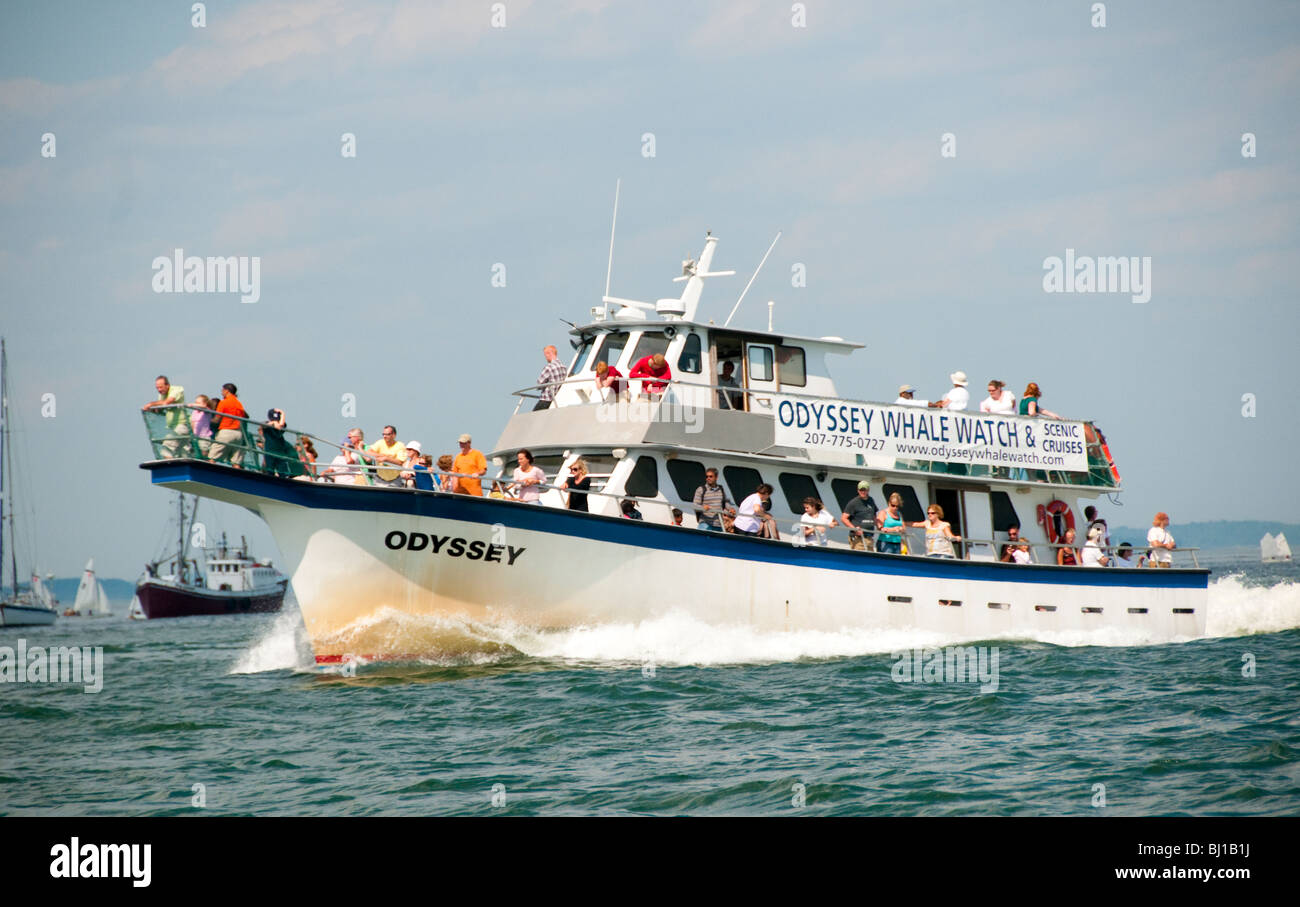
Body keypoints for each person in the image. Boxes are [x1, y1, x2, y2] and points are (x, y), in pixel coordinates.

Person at [142, 375, 191, 458]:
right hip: (173, 427)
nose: (159, 390)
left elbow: (166, 402)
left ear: (167, 385)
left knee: (166, 450)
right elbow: (161, 408)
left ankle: (170, 468)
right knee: (182, 453)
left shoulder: (177, 389)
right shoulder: (162, 395)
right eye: (157, 388)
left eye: (161, 387)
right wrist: (153, 410)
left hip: (182, 425)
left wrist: (151, 404)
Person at [208, 383, 248, 467]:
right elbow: (246, 416)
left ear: (227, 391)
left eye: (222, 390)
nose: (222, 393)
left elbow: (217, 419)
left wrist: (207, 421)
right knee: (236, 462)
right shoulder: (238, 403)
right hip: (238, 434)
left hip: (226, 432)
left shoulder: (224, 402)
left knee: (212, 457)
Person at [839, 481, 878, 551]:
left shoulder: (871, 500)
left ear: (868, 490)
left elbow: (874, 515)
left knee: (869, 560)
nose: (863, 492)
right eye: (861, 490)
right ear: (858, 490)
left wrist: (880, 526)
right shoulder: (853, 502)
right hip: (858, 539)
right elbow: (844, 518)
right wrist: (855, 529)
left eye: (864, 490)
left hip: (869, 538)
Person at [263, 408, 298, 477]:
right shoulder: (266, 424)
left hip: (280, 453)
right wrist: (273, 423)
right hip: (269, 452)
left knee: (283, 473)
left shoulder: (283, 424)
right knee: (270, 472)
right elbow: (263, 426)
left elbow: (281, 425)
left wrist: (282, 414)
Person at [535, 345, 569, 411]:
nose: (545, 357)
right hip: (556, 400)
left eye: (545, 355)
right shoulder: (564, 368)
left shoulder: (549, 367)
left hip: (546, 399)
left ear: (549, 353)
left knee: (532, 418)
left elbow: (539, 384)